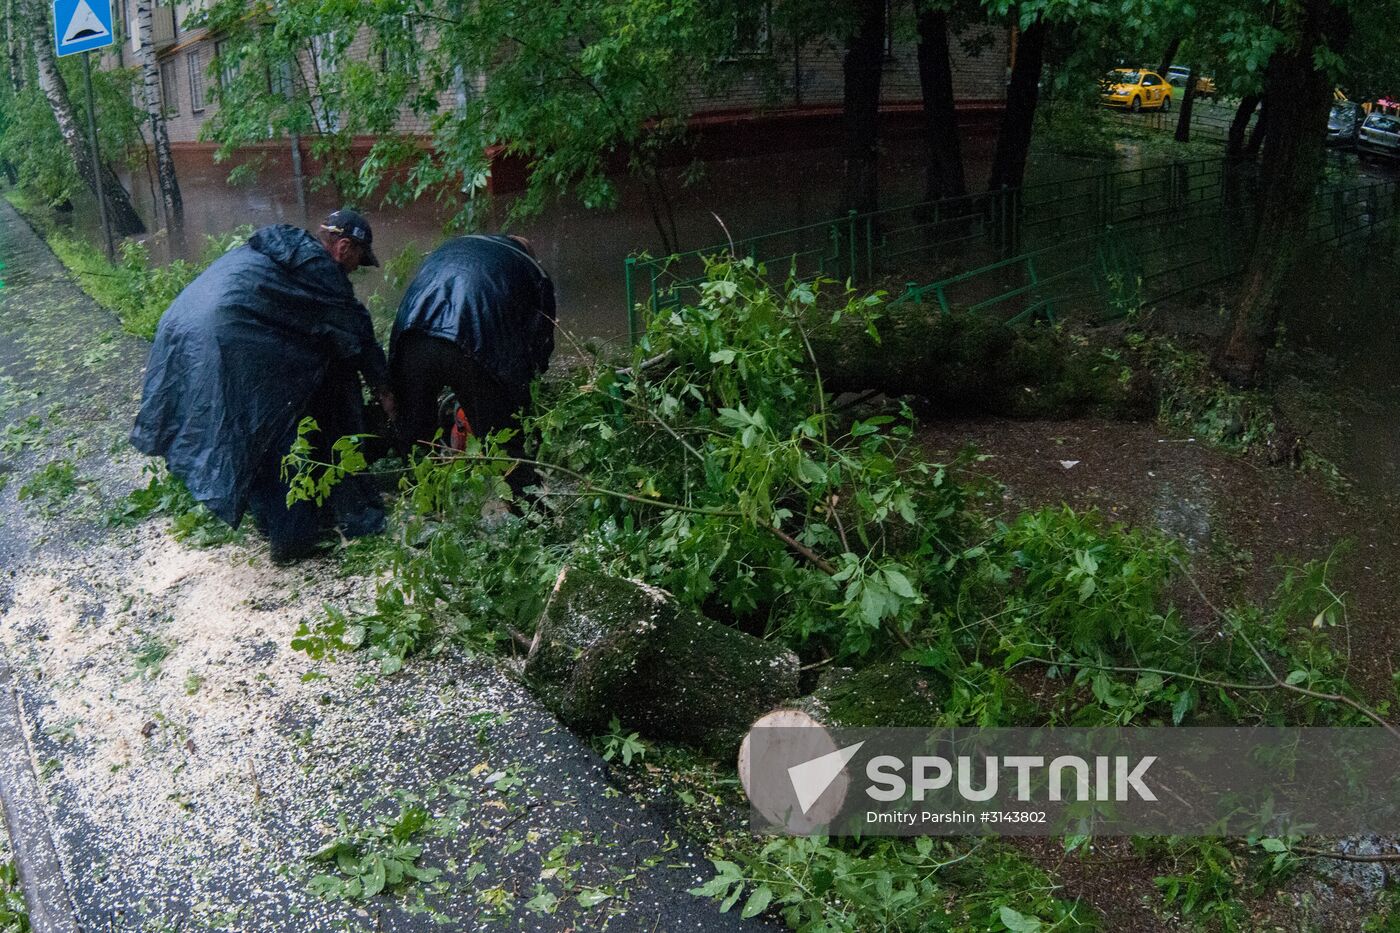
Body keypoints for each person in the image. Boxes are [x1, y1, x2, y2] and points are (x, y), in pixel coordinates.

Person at [131, 209, 394, 562]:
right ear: (343, 247)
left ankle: (269, 520)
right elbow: (358, 338)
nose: (355, 270)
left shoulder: (284, 256)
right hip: (224, 337)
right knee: (270, 428)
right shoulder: (321, 272)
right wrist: (386, 393)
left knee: (243, 432)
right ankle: (292, 540)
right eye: (359, 259)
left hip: (182, 326)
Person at [389, 234, 556, 494]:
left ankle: (423, 500)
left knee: (415, 432)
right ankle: (530, 509)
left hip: (411, 333)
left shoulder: (452, 246)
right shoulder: (533, 271)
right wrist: (522, 399)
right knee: (502, 438)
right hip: (473, 340)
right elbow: (539, 342)